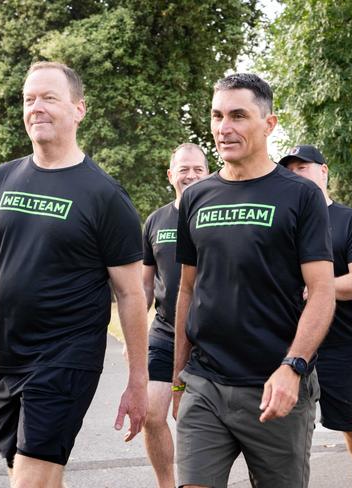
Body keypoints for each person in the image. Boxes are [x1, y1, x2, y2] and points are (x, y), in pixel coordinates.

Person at [0, 62, 148, 488]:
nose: (36, 107)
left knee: (29, 480)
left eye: (49, 98)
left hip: (65, 360)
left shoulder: (104, 196)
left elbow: (131, 294)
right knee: (26, 472)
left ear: (79, 109)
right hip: (4, 359)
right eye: (29, 99)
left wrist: (137, 380)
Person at [172, 73, 336, 488]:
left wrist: (293, 367)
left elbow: (321, 291)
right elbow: (188, 289)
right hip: (205, 383)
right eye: (217, 116)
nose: (224, 128)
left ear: (269, 123)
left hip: (275, 385)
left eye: (238, 116)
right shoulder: (195, 197)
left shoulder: (300, 195)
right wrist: (178, 379)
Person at [279, 144, 352, 488]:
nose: (296, 175)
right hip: (289, 346)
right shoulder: (283, 219)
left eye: (303, 167)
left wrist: (322, 286)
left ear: (324, 171)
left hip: (340, 346)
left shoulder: (349, 219)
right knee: (287, 432)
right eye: (289, 170)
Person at [141, 143, 209, 487]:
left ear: (208, 173)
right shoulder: (155, 221)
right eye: (184, 169)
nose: (191, 175)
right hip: (165, 331)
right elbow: (144, 287)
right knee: (153, 414)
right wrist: (134, 335)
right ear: (171, 175)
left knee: (193, 417)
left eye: (198, 169)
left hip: (208, 335)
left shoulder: (215, 216)